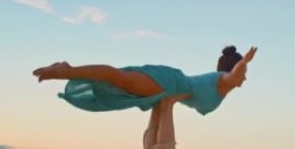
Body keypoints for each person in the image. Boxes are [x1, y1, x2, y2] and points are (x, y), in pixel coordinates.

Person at [32, 46, 257, 115]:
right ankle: (68, 70)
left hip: (164, 93)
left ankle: (69, 71)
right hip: (170, 83)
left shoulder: (221, 89)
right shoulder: (222, 81)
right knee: (120, 80)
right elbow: (235, 74)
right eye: (244, 73)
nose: (244, 78)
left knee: (117, 86)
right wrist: (245, 61)